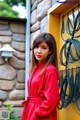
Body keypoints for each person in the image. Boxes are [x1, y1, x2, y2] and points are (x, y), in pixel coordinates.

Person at [21, 33, 60, 120]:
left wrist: (37, 112)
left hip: (41, 114)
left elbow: (52, 100)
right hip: (30, 109)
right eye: (36, 47)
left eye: (44, 48)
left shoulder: (50, 70)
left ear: (50, 51)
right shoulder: (35, 68)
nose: (38, 51)